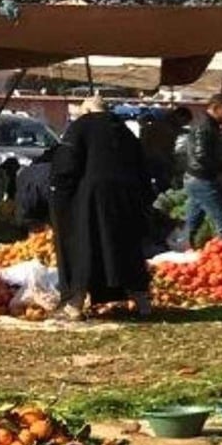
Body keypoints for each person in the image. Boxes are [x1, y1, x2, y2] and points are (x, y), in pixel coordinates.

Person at [49, 96, 153, 319]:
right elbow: (143, 167)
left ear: (87, 110)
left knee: (86, 249)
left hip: (90, 201)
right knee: (126, 250)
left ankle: (74, 306)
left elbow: (66, 164)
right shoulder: (125, 131)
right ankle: (142, 303)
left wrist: (59, 192)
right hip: (126, 199)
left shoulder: (81, 127)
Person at [184, 93, 222, 242]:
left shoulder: (209, 124)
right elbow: (201, 155)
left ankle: (185, 249)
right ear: (215, 108)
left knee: (193, 220)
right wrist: (220, 169)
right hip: (201, 178)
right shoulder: (204, 125)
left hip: (197, 178)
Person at [139, 105, 191, 194]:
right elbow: (159, 149)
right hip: (155, 159)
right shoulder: (166, 128)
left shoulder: (166, 123)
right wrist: (170, 163)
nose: (185, 124)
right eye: (185, 121)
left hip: (152, 158)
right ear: (179, 116)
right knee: (163, 185)